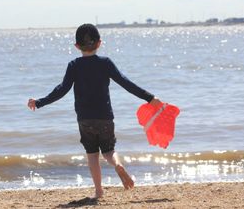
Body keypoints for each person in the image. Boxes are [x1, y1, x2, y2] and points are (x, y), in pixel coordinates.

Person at [28, 23, 162, 199]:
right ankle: (117, 165)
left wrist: (39, 102)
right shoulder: (105, 63)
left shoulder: (74, 65)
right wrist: (150, 98)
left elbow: (61, 89)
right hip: (105, 117)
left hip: (85, 119)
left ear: (77, 46)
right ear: (99, 43)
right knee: (108, 151)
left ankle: (99, 191)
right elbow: (125, 82)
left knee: (92, 155)